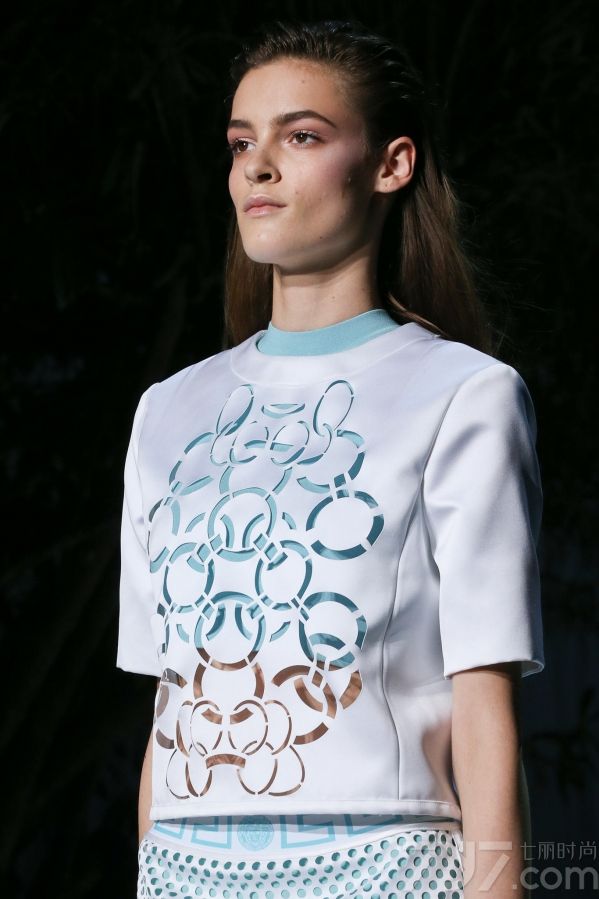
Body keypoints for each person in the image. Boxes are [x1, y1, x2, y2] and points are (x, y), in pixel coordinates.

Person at [116, 18, 545, 899]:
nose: (258, 167)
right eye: (242, 143)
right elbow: (169, 701)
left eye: (301, 136)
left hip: (382, 864)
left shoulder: (462, 394)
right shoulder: (166, 411)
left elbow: (484, 703)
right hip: (184, 869)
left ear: (391, 164)